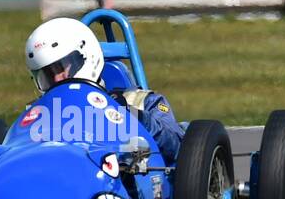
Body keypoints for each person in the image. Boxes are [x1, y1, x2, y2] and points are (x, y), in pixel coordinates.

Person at [24, 17, 184, 163]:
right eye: (47, 75)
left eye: (60, 69)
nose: (57, 79)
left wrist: (133, 116)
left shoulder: (140, 101)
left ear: (86, 57)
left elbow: (178, 147)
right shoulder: (38, 113)